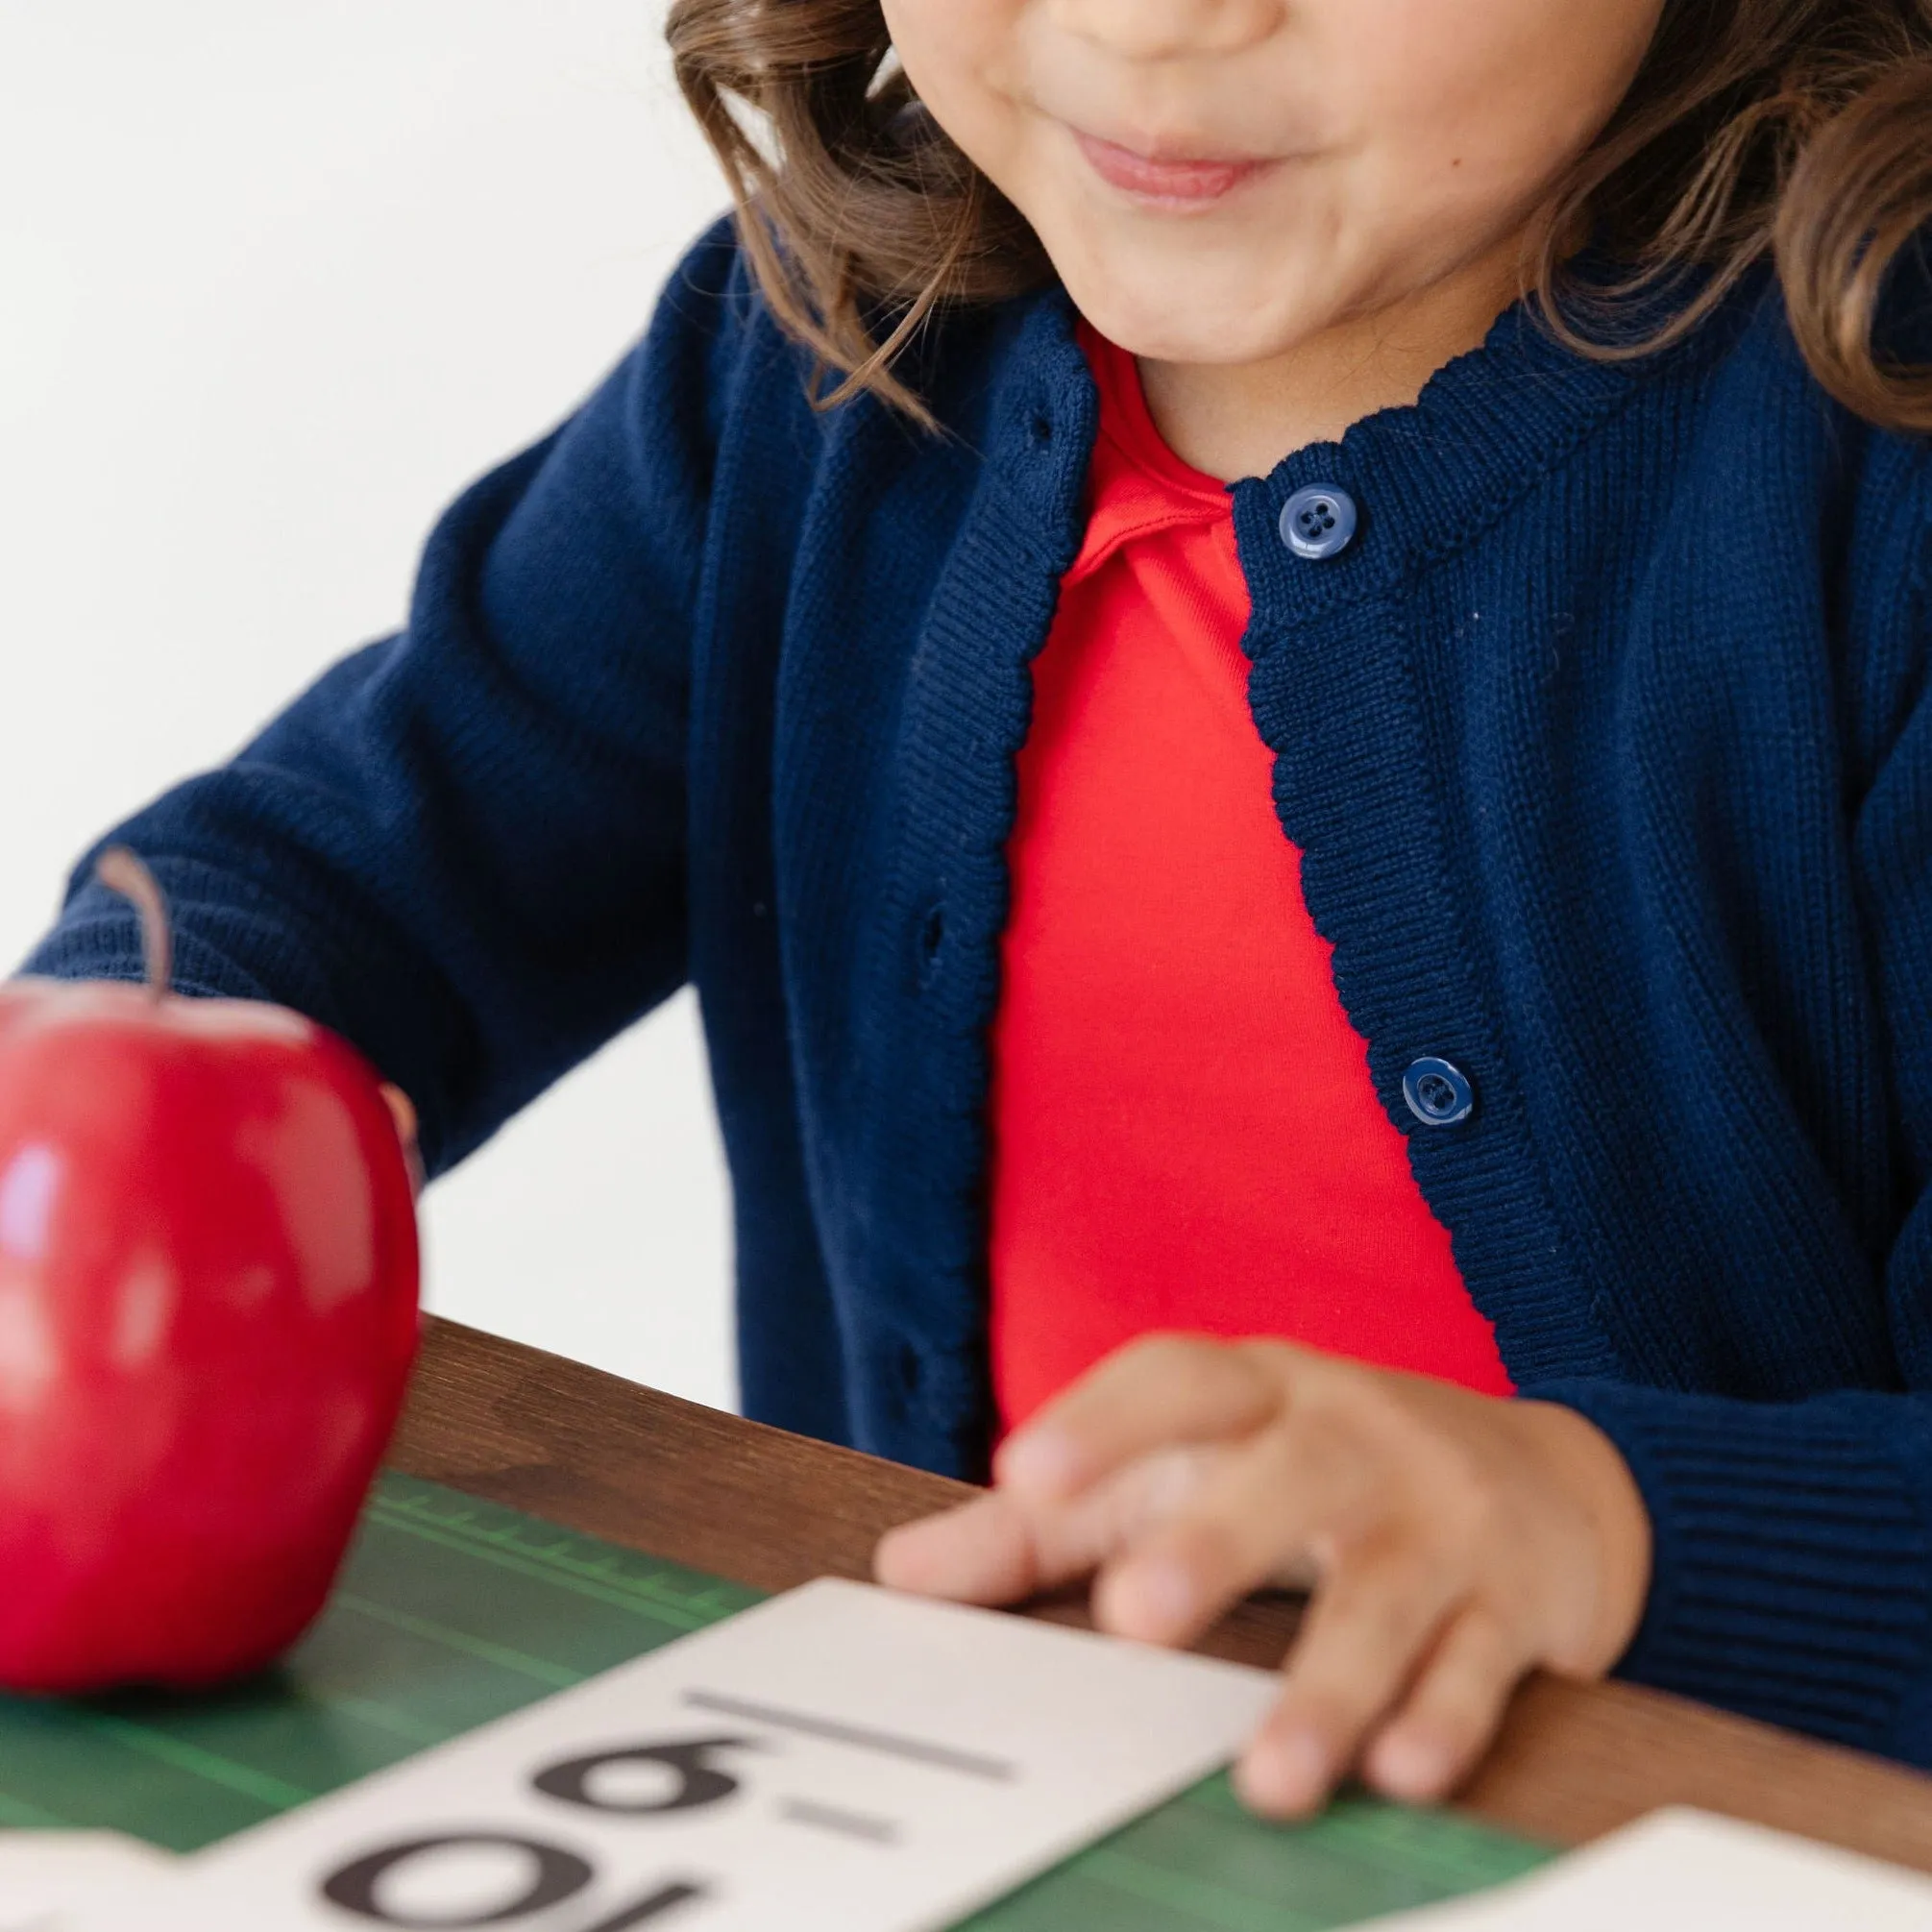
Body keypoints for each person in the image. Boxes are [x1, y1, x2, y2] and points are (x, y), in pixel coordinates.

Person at [19, 0, 1932, 1819]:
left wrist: (1599, 1522)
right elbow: (336, 885)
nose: (1162, 24)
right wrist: (87, 1114)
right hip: (947, 1812)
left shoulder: (1881, 487)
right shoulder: (830, 358)